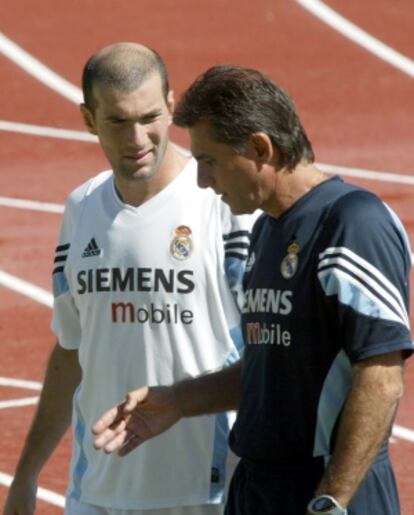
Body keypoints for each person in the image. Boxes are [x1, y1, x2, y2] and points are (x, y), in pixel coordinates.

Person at [91, 65, 414, 515]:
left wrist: (332, 500)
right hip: (258, 487)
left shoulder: (352, 223)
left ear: (260, 148)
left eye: (209, 161)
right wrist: (179, 400)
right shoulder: (266, 231)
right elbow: (269, 367)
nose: (203, 180)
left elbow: (380, 377)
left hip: (324, 488)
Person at [4, 47, 256, 515]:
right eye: (118, 122)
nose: (137, 139)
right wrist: (27, 474)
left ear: (171, 105)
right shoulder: (81, 208)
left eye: (150, 117)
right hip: (98, 492)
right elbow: (72, 349)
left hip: (206, 492)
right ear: (87, 118)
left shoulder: (224, 206)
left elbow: (275, 352)